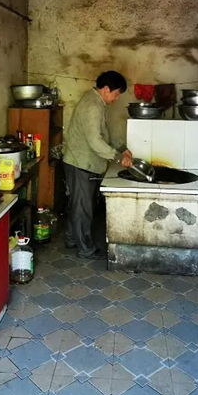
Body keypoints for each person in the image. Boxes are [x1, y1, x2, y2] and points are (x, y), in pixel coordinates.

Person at [63, 71, 133, 260]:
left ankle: (71, 238)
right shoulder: (92, 106)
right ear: (106, 89)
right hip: (80, 162)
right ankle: (85, 249)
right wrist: (118, 157)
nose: (116, 98)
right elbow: (95, 141)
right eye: (116, 94)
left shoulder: (97, 102)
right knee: (82, 208)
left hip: (84, 162)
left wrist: (122, 148)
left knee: (78, 205)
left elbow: (105, 132)